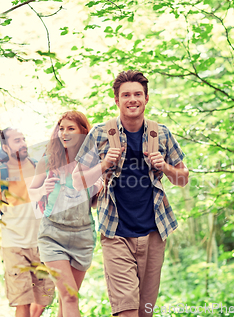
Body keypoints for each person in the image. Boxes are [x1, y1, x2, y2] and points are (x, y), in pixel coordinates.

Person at [72, 70, 189, 317]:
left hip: (155, 232)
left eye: (138, 94)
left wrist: (164, 166)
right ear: (117, 101)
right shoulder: (101, 134)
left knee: (145, 311)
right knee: (127, 311)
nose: (132, 99)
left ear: (146, 98)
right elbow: (77, 180)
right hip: (116, 233)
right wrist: (103, 165)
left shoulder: (162, 133)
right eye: (126, 95)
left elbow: (183, 178)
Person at [28, 111, 101, 317]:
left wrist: (98, 188)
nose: (64, 133)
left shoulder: (93, 162)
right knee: (70, 297)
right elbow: (31, 193)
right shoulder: (48, 160)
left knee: (65, 301)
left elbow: (94, 204)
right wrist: (43, 190)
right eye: (61, 129)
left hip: (83, 237)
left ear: (83, 133)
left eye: (71, 129)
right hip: (53, 235)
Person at [0, 127, 54, 317]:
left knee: (43, 300)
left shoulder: (37, 166)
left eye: (23, 139)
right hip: (14, 245)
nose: (23, 143)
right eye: (17, 141)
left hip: (41, 243)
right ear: (6, 147)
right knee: (22, 302)